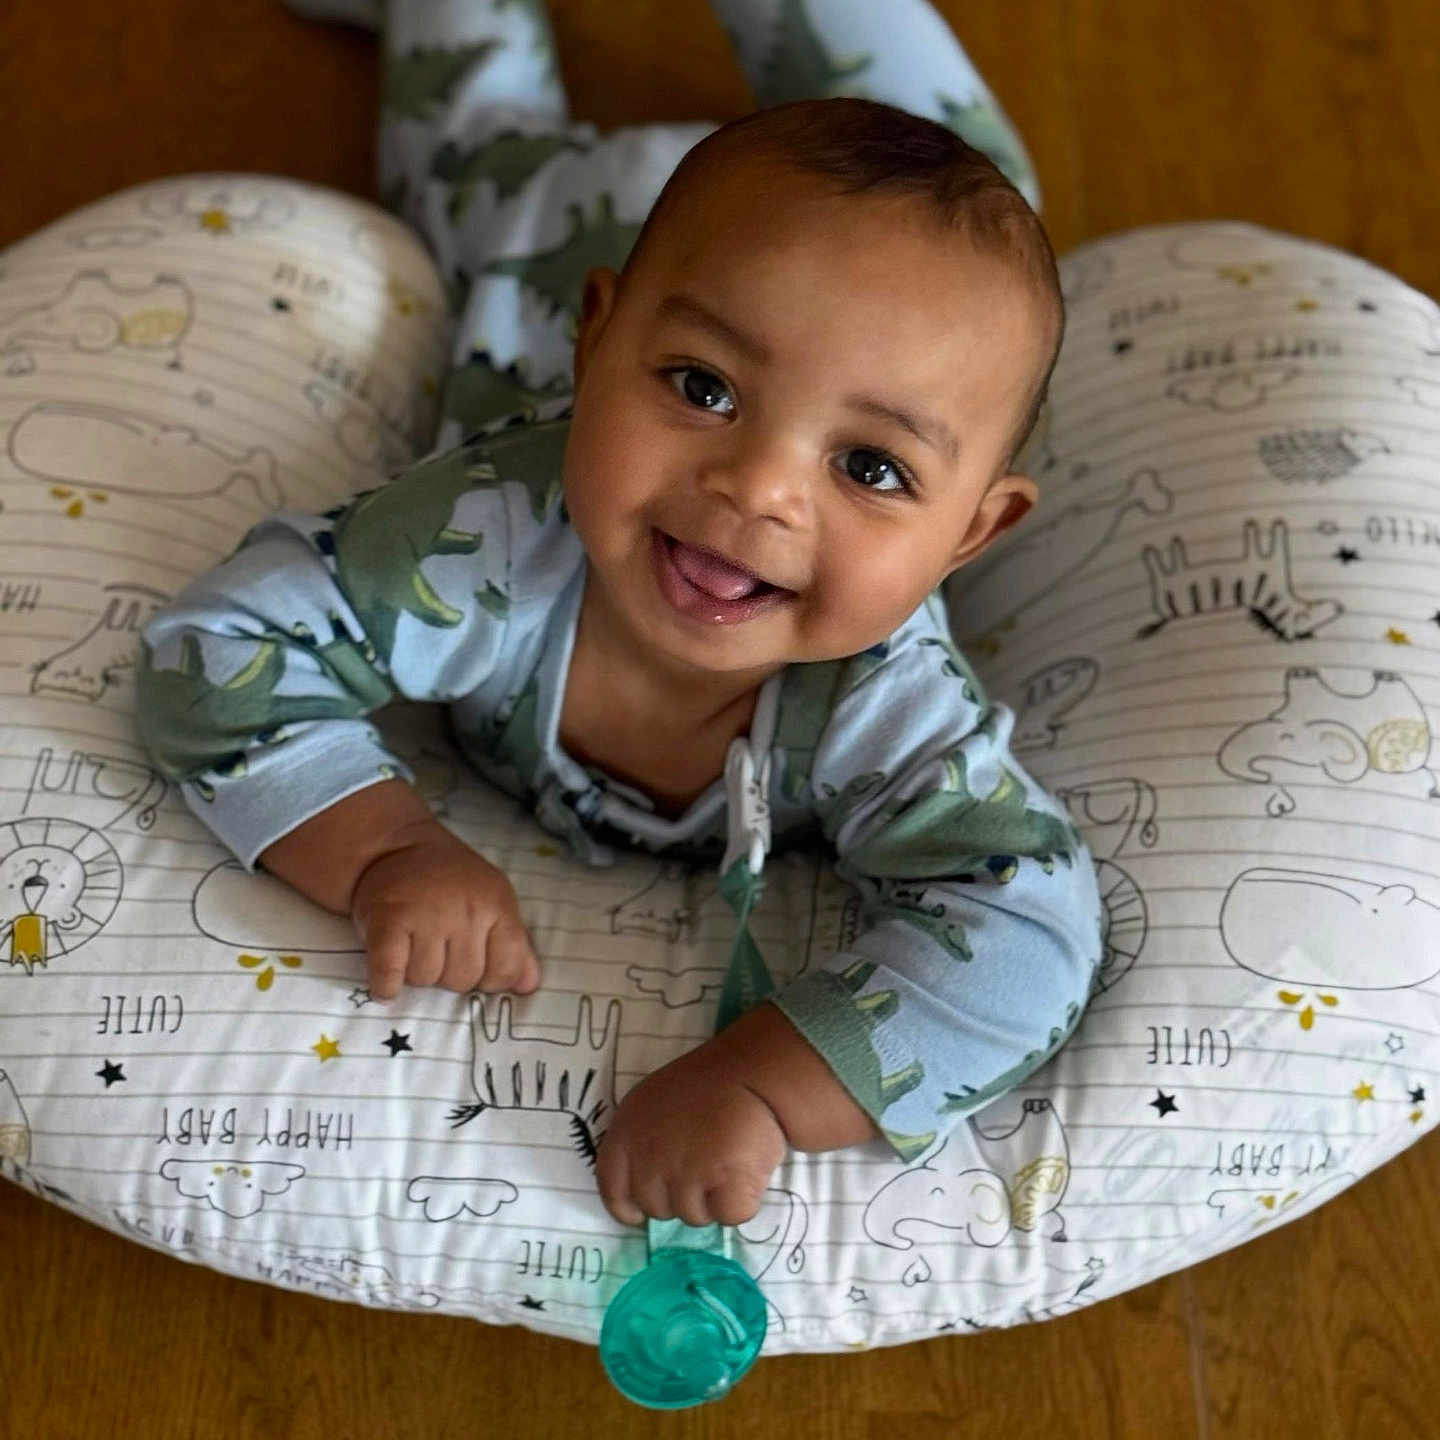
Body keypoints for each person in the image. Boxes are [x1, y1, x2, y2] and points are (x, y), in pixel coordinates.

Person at [135, 0, 1103, 1232]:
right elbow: (217, 647)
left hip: (833, 260)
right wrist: (384, 845)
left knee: (987, 192)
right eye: (702, 389)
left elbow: (1027, 934)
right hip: (548, 225)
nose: (756, 489)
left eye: (870, 468)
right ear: (598, 345)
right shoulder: (485, 536)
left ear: (970, 535)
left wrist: (762, 1083)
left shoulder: (889, 707)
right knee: (480, 149)